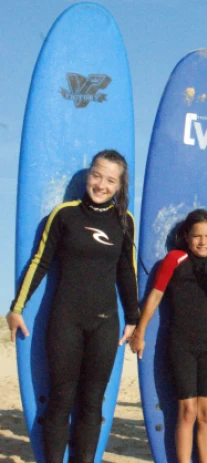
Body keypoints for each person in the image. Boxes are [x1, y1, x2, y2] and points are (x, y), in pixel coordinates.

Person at [6, 150, 138, 463]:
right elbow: (39, 261)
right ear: (88, 176)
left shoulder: (124, 220)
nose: (101, 184)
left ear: (119, 186)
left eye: (110, 180)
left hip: (105, 322)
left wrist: (133, 317)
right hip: (66, 319)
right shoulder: (64, 215)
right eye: (96, 175)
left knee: (93, 401)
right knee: (61, 398)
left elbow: (126, 271)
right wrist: (16, 308)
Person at [130, 209, 207, 463]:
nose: (203, 242)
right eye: (197, 236)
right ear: (186, 236)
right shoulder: (174, 259)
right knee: (187, 411)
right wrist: (140, 331)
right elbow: (154, 296)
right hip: (181, 346)